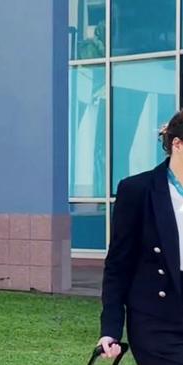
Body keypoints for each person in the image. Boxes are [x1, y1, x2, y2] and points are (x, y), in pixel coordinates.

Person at [98, 110, 183, 364]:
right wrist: (110, 329)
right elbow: (117, 266)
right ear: (177, 145)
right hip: (156, 322)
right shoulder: (137, 190)